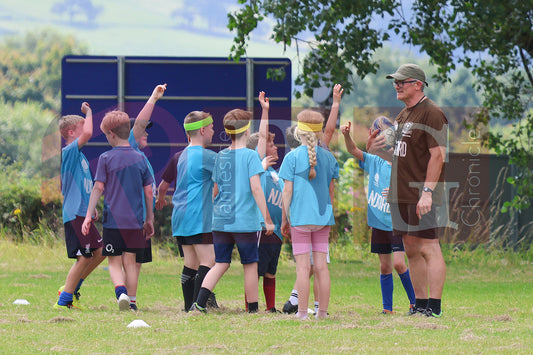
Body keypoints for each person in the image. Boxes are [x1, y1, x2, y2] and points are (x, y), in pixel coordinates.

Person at [369, 63, 447, 317]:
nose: (397, 85)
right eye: (395, 81)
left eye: (402, 81)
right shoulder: (403, 116)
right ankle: (420, 304)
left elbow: (438, 155)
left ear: (418, 84)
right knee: (411, 250)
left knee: (429, 247)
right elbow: (399, 156)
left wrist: (427, 192)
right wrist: (375, 148)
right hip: (399, 195)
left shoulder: (432, 113)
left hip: (420, 194)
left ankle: (434, 307)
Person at [190, 107, 275, 314]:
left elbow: (215, 190)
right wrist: (268, 218)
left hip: (221, 220)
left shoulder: (220, 156)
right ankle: (253, 310)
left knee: (220, 263)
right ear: (247, 131)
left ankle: (199, 304)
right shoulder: (250, 157)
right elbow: (256, 188)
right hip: (244, 222)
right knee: (250, 265)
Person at [341, 119, 416, 315]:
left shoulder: (403, 165)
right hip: (378, 223)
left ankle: (415, 303)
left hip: (396, 222)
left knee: (399, 264)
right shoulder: (375, 161)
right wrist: (347, 135)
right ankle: (387, 309)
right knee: (385, 266)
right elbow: (353, 151)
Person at [81, 109, 154, 311]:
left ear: (111, 134)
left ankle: (120, 292)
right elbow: (149, 192)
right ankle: (131, 302)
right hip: (135, 221)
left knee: (114, 261)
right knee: (130, 261)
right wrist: (149, 219)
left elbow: (98, 187)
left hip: (113, 221)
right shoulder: (140, 159)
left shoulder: (106, 158)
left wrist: (89, 214)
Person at [282, 84, 342, 315]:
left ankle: (302, 314)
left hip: (299, 219)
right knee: (321, 268)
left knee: (302, 268)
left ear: (299, 130)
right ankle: (323, 313)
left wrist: (285, 219)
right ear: (318, 131)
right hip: (323, 218)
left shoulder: (292, 158)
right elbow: (331, 192)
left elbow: (287, 192)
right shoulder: (329, 157)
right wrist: (330, 213)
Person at [54, 102, 106, 310]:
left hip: (81, 213)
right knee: (83, 258)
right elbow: (89, 133)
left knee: (100, 252)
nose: (85, 130)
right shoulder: (69, 151)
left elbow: (84, 188)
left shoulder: (81, 157)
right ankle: (64, 300)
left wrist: (90, 208)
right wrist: (90, 112)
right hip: (74, 214)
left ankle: (72, 288)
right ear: (70, 132)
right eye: (81, 126)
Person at [171, 110, 218, 312]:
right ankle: (198, 306)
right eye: (212, 128)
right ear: (202, 129)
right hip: (197, 216)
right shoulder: (208, 156)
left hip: (180, 215)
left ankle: (188, 306)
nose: (214, 131)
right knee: (210, 261)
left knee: (191, 263)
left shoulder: (182, 155)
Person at [127, 83, 167, 310]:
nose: (146, 133)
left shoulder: (141, 156)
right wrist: (153, 98)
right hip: (135, 218)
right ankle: (126, 298)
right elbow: (141, 123)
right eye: (142, 131)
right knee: (128, 260)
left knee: (137, 261)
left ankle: (130, 299)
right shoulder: (131, 149)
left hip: (143, 217)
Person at [245, 91, 284, 313]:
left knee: (271, 270)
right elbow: (260, 139)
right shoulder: (257, 169)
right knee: (255, 270)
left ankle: (270, 307)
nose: (276, 147)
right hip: (262, 228)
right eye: (272, 144)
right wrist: (265, 111)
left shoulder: (274, 175)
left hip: (276, 231)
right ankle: (251, 305)